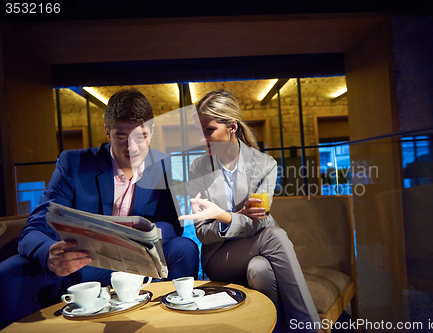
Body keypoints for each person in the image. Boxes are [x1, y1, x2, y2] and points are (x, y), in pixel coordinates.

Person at [0, 89, 199, 328]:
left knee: (184, 249)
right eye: (121, 137)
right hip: (83, 263)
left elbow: (172, 223)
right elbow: (34, 228)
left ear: (152, 132)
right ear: (107, 132)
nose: (132, 147)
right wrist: (50, 254)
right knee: (8, 273)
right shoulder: (74, 164)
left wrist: (145, 236)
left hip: (135, 261)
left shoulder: (162, 166)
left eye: (141, 136)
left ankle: (170, 325)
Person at [179, 90, 322, 333]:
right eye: (200, 131)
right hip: (218, 257)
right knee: (275, 235)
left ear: (232, 126)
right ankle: (309, 328)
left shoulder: (265, 165)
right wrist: (233, 217)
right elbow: (203, 233)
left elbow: (258, 223)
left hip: (257, 249)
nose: (203, 139)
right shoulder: (198, 168)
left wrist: (223, 215)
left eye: (209, 130)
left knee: (260, 270)